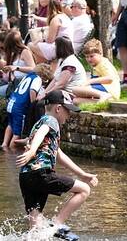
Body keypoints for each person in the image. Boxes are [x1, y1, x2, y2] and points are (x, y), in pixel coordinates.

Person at [16, 90, 98, 240]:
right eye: (68, 110)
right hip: (41, 174)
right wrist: (32, 150)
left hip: (26, 176)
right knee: (84, 190)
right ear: (58, 109)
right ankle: (57, 224)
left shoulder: (39, 122)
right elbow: (42, 132)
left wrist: (82, 174)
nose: (69, 115)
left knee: (36, 227)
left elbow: (59, 155)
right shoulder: (51, 121)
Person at [1, 63, 53, 151]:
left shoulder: (29, 76)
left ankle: (4, 145)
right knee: (17, 133)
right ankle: (11, 152)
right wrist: (33, 104)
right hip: (19, 107)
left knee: (10, 125)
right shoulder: (38, 79)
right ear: (44, 75)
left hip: (11, 103)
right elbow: (32, 90)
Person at [72, 39, 120, 103]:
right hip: (105, 92)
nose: (89, 59)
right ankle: (103, 101)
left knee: (75, 89)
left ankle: (103, 95)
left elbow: (110, 78)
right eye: (87, 57)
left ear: (100, 54)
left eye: (92, 56)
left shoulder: (103, 63)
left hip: (110, 90)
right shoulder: (95, 66)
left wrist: (89, 81)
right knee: (75, 100)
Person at [29, 0, 73, 64]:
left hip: (59, 48)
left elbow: (50, 40)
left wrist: (41, 40)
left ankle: (41, 68)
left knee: (30, 45)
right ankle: (44, 67)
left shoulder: (56, 20)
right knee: (39, 47)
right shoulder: (65, 17)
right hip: (68, 47)